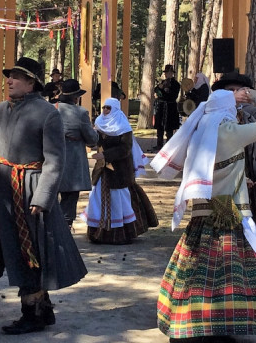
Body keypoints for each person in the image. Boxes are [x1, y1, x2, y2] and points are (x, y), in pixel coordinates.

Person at [150, 88, 256, 343]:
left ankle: (187, 320)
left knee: (194, 272)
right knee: (226, 276)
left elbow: (216, 167)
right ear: (226, 109)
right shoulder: (228, 130)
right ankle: (217, 329)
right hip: (229, 213)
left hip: (203, 212)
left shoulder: (201, 129)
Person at [0, 56, 87, 335]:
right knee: (13, 246)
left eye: (16, 77)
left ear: (31, 82)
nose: (9, 80)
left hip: (32, 190)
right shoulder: (2, 109)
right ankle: (42, 309)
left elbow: (55, 161)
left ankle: (33, 313)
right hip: (5, 186)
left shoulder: (48, 113)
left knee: (32, 250)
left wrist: (42, 197)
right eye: (8, 76)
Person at [84, 97, 158, 244]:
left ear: (115, 109)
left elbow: (125, 149)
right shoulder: (99, 123)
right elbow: (95, 140)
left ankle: (119, 234)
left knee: (118, 200)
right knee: (98, 198)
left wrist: (105, 155)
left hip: (120, 171)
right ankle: (98, 232)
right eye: (104, 107)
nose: (105, 110)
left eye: (108, 108)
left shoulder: (124, 127)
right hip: (102, 170)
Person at [209, 72, 256, 232]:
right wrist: (237, 177)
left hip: (248, 192)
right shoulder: (212, 121)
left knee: (250, 241)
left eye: (241, 90)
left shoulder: (249, 119)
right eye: (231, 90)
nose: (236, 94)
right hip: (222, 192)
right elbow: (209, 159)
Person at [54, 79, 98, 229]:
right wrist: (95, 132)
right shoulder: (80, 113)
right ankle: (65, 228)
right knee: (70, 198)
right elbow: (91, 139)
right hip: (72, 161)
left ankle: (51, 228)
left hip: (51, 159)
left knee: (50, 197)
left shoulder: (51, 109)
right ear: (75, 97)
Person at [153, 64, 180, 151]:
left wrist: (162, 91)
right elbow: (156, 90)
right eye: (166, 73)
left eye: (169, 73)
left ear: (172, 73)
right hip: (161, 107)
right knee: (159, 127)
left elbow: (172, 96)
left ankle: (169, 145)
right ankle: (159, 144)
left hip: (170, 107)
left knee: (169, 128)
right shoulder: (162, 82)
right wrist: (159, 88)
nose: (167, 74)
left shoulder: (176, 84)